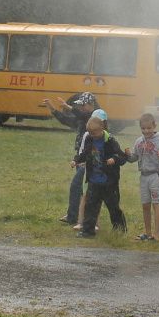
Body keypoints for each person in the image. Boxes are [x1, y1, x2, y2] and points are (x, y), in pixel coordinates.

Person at [46, 92, 98, 227]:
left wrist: (68, 107)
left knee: (79, 187)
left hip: (89, 160)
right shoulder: (82, 117)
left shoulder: (95, 117)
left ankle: (82, 218)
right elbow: (66, 120)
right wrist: (53, 109)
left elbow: (84, 115)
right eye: (79, 106)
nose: (80, 108)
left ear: (91, 105)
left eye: (83, 105)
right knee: (79, 188)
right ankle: (75, 216)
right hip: (80, 157)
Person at [74, 113, 129, 237]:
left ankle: (120, 229)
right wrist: (76, 160)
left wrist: (114, 159)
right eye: (90, 133)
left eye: (94, 133)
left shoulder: (110, 141)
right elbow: (84, 153)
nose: (92, 135)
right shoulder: (90, 139)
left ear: (102, 128)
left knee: (113, 206)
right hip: (94, 179)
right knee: (91, 206)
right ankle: (88, 231)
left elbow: (122, 157)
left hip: (109, 181)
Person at [126, 112, 159, 241]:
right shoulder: (139, 141)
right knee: (145, 205)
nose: (146, 131)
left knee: (157, 204)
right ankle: (148, 232)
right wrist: (128, 155)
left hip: (156, 176)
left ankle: (157, 234)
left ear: (154, 126)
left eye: (149, 128)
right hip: (144, 176)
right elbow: (134, 157)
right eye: (143, 128)